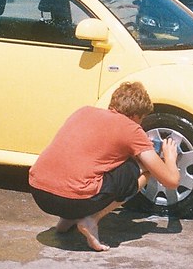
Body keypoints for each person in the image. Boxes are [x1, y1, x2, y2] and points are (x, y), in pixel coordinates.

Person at [28, 81, 180, 252]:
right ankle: (91, 220)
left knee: (87, 170)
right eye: (142, 119)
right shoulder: (131, 129)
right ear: (136, 115)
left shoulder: (83, 111)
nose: (141, 124)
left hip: (39, 193)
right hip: (74, 200)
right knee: (139, 168)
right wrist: (169, 157)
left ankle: (67, 220)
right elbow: (171, 181)